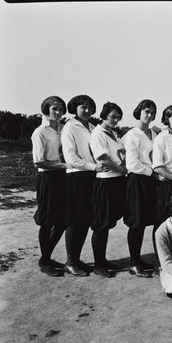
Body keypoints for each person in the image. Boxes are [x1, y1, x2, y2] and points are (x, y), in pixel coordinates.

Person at [61, 94, 106, 277]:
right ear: (75, 108)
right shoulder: (69, 127)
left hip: (91, 177)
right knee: (75, 221)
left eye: (89, 107)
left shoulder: (93, 127)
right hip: (77, 177)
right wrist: (93, 166)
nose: (87, 110)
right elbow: (70, 158)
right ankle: (71, 262)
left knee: (86, 220)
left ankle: (77, 260)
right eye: (83, 107)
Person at [31, 96, 70, 277]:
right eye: (54, 109)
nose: (58, 112)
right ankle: (45, 261)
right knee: (47, 221)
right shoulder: (40, 132)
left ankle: (46, 257)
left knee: (62, 220)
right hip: (47, 177)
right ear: (46, 110)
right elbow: (39, 162)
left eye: (61, 109)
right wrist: (64, 166)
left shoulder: (63, 128)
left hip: (63, 177)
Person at [89, 102, 128, 278]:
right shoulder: (98, 133)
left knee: (109, 222)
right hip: (106, 183)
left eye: (118, 117)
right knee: (101, 225)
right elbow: (103, 159)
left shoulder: (113, 133)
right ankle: (98, 265)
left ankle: (103, 260)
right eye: (112, 116)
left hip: (117, 182)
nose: (115, 119)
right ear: (104, 115)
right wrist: (125, 170)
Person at [123, 99, 159, 278]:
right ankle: (133, 262)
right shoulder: (132, 134)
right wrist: (151, 172)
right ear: (139, 112)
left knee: (148, 220)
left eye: (153, 112)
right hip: (138, 180)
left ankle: (144, 260)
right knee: (137, 222)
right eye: (147, 111)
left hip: (152, 181)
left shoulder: (153, 133)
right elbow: (132, 163)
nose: (150, 115)